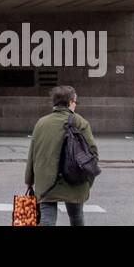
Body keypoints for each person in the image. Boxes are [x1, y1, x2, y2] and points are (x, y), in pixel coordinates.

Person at [24, 85, 99, 226]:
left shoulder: (41, 123)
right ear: (71, 102)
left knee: (47, 218)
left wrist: (29, 179)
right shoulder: (80, 122)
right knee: (76, 216)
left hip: (47, 181)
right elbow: (93, 154)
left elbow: (32, 154)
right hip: (75, 178)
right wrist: (89, 180)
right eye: (75, 102)